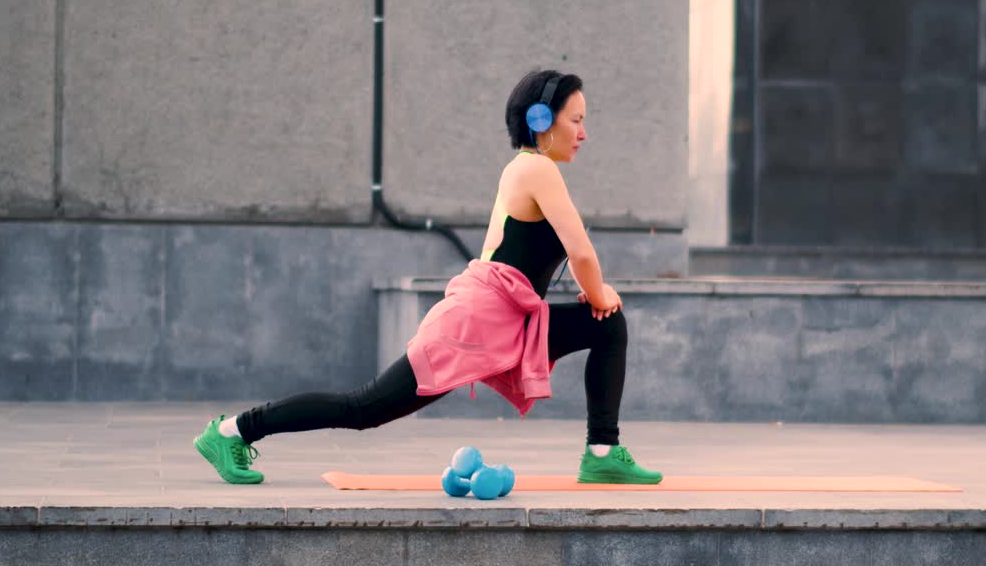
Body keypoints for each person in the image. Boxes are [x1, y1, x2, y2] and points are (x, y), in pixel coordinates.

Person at [192, 69, 663, 487]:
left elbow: (568, 254)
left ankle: (602, 453)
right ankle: (232, 431)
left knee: (607, 325)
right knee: (364, 409)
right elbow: (580, 250)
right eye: (576, 119)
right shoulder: (535, 167)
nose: (584, 132)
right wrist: (598, 292)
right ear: (541, 120)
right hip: (475, 322)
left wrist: (596, 297)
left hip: (511, 318)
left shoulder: (533, 170)